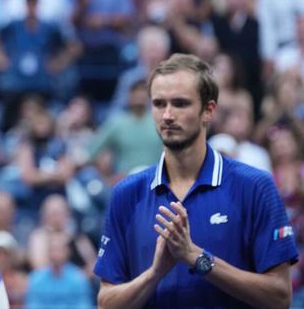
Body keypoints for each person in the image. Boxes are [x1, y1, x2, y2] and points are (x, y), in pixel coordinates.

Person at [94, 54, 298, 308]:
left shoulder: (256, 186)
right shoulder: (127, 192)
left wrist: (196, 257)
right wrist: (155, 274)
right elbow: (105, 302)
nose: (167, 115)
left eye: (180, 103)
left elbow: (279, 297)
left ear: (208, 110)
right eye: (159, 104)